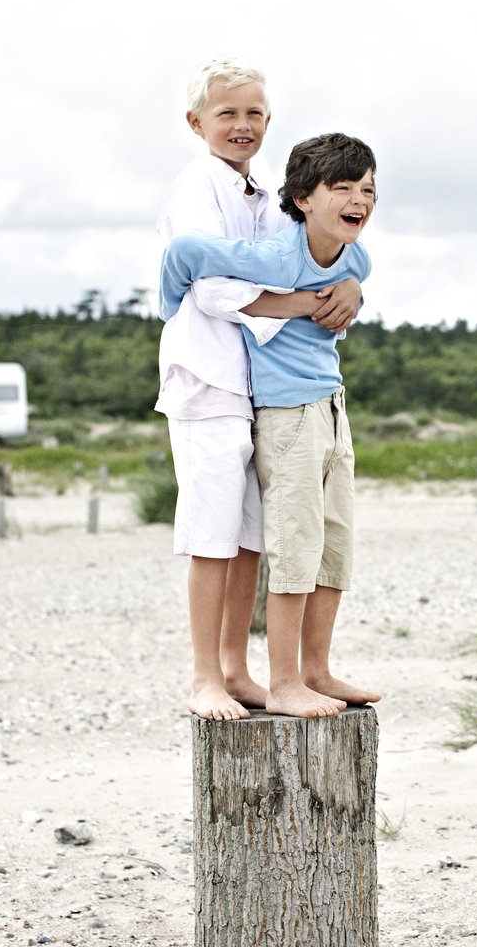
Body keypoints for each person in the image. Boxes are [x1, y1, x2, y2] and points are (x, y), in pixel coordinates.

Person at [156, 58, 362, 723]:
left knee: (248, 535)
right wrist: (308, 305)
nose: (242, 125)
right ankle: (202, 677)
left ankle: (236, 669)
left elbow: (308, 249)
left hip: (252, 386)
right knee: (212, 531)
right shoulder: (197, 189)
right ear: (197, 122)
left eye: (253, 114)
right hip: (206, 379)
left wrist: (351, 284)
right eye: (227, 113)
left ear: (269, 121)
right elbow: (214, 290)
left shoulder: (261, 194)